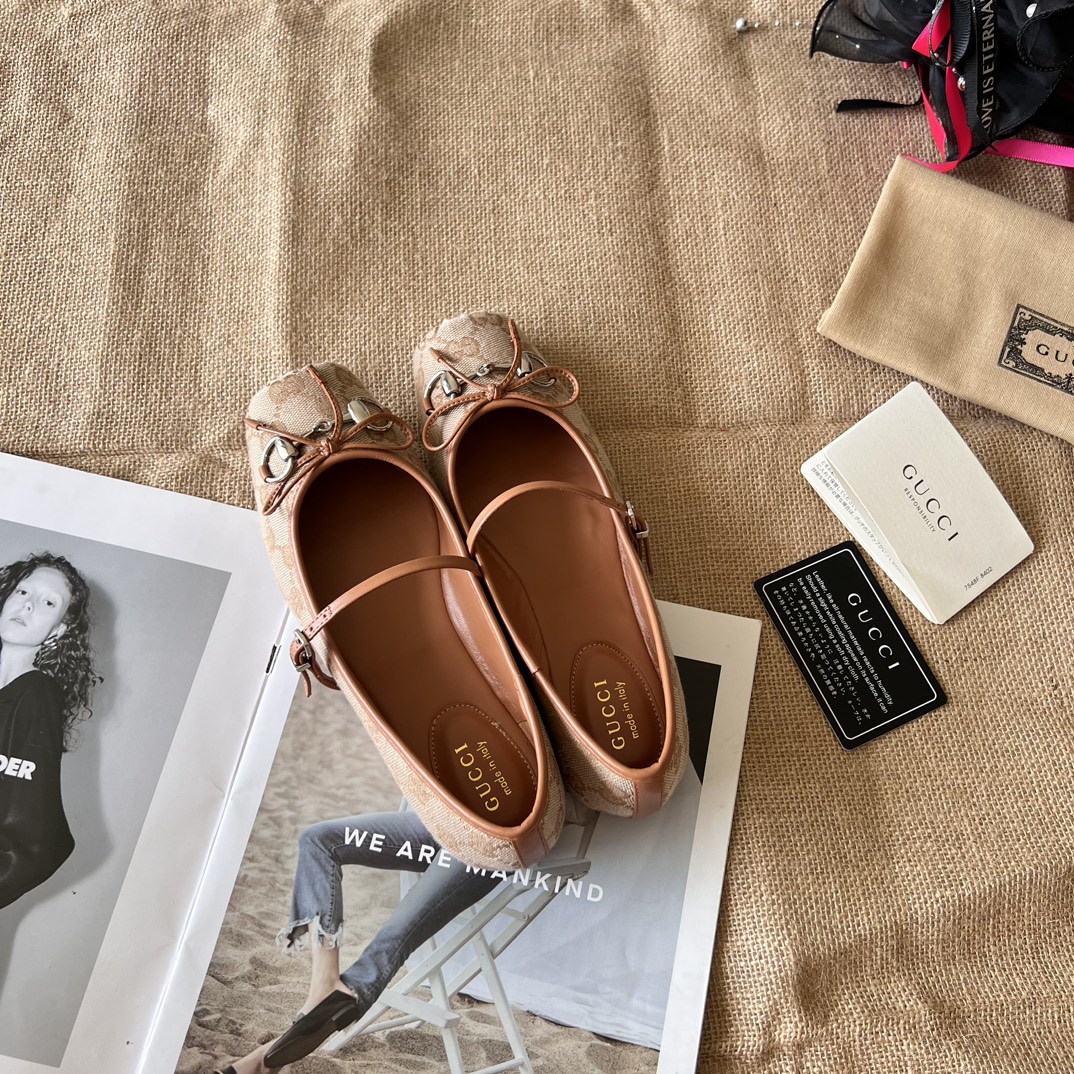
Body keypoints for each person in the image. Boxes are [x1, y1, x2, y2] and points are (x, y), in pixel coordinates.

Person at [213, 811, 500, 1074]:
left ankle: (266, 1058)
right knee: (318, 840)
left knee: (394, 935)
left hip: (489, 842)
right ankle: (324, 984)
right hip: (442, 816)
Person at [0, 552, 99, 910]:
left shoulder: (36, 696)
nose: (27, 605)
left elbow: (37, 843)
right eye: (23, 592)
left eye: (48, 603)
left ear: (57, 632)